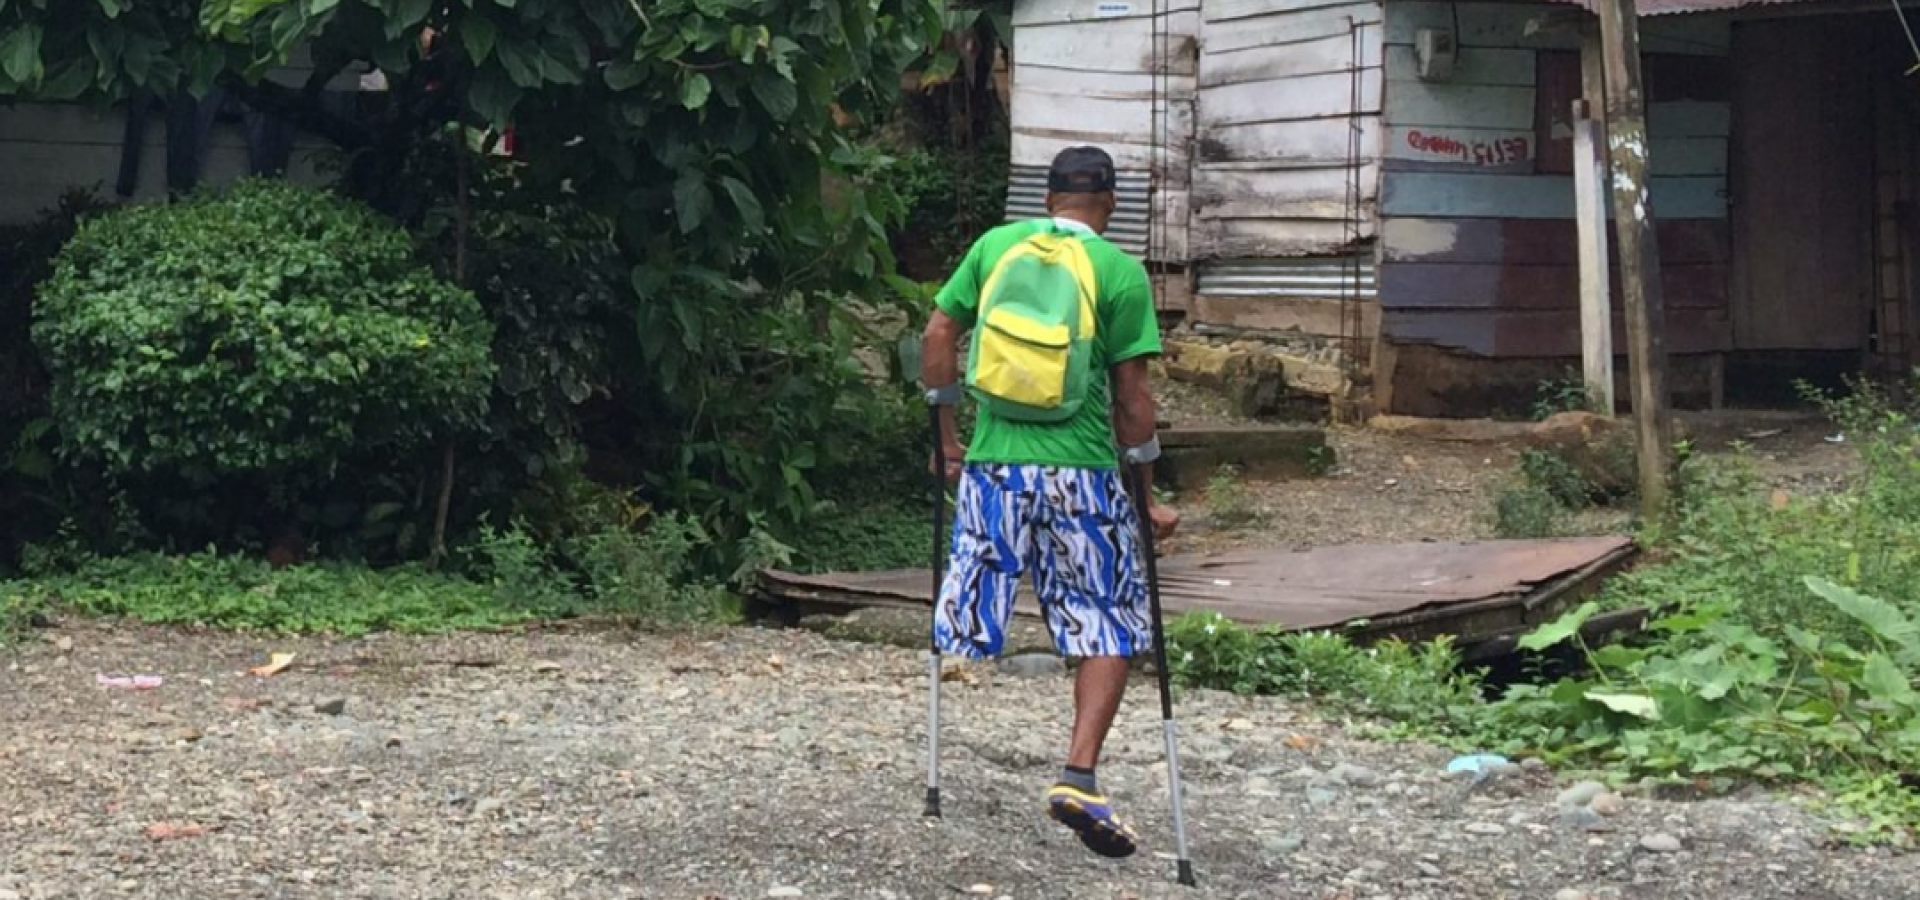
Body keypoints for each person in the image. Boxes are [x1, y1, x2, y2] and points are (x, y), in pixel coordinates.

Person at [918, 145, 1179, 859]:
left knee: (974, 592)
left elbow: (938, 335)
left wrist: (947, 439)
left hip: (994, 471)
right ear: (1111, 204)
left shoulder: (995, 248)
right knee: (1107, 618)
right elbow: (1133, 401)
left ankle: (964, 659)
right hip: (1081, 475)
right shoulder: (1117, 271)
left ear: (1048, 199)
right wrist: (1146, 500)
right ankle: (1079, 774)